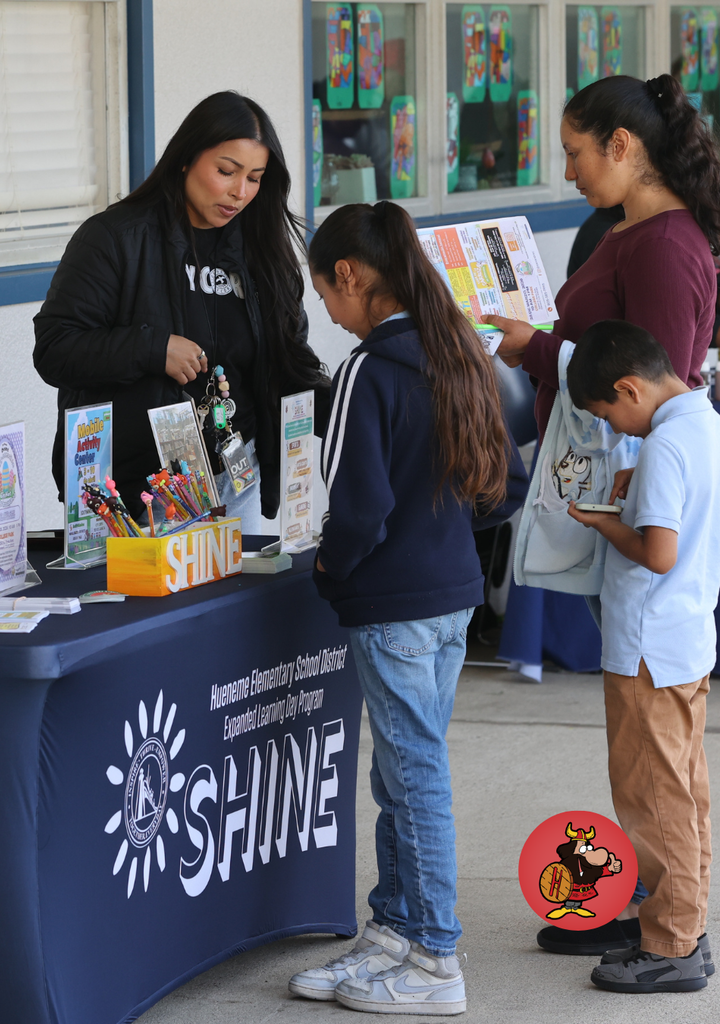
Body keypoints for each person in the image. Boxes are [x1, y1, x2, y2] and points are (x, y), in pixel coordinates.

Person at [485, 72, 720, 954]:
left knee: (655, 761)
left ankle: (671, 932)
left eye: (576, 153)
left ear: (622, 146)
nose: (569, 172)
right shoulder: (633, 231)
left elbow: (647, 377)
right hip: (620, 519)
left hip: (632, 526)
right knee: (646, 756)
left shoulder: (662, 247)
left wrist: (537, 350)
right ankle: (653, 903)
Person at [287, 202, 528, 1015]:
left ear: (349, 275)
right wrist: (443, 534)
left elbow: (357, 508)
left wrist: (331, 566)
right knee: (399, 771)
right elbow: (506, 485)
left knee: (413, 775)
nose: (329, 311)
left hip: (392, 605)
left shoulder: (367, 368)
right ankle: (391, 931)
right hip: (451, 596)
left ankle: (432, 958)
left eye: (325, 293)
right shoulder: (458, 349)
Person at [33, 91, 329, 530]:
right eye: (226, 171)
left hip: (236, 474)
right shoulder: (116, 237)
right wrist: (154, 349)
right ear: (187, 158)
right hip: (138, 490)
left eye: (255, 178)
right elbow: (55, 348)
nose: (240, 192)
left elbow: (290, 361)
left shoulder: (262, 249)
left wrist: (358, 409)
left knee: (235, 579)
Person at [565, 320, 719, 993]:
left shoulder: (662, 446)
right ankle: (685, 927)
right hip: (684, 641)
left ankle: (671, 945)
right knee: (682, 794)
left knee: (652, 800)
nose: (615, 429)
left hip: (647, 649)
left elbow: (657, 554)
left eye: (608, 414)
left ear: (629, 388)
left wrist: (604, 522)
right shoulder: (704, 424)